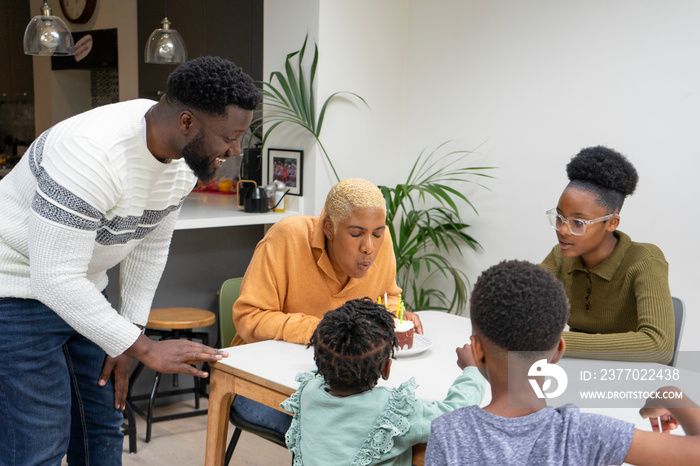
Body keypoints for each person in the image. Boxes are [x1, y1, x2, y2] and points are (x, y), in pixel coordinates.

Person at [0, 56, 261, 465]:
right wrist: (142, 346)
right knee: (39, 443)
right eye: (229, 138)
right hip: (13, 288)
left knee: (103, 426)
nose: (234, 151)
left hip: (80, 289)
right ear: (188, 123)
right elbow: (51, 278)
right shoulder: (92, 153)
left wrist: (128, 333)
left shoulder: (183, 162)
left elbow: (150, 245)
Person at [425, 260, 700, 465]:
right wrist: (670, 393)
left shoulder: (449, 433)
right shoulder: (586, 434)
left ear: (477, 349)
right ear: (558, 350)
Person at [230, 177, 423, 434]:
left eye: (377, 234)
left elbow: (388, 298)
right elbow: (248, 318)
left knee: (400, 423)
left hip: (342, 383)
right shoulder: (286, 237)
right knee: (342, 432)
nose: (369, 247)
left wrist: (395, 319)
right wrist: (325, 329)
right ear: (330, 228)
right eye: (356, 234)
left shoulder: (380, 243)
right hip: (258, 381)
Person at [281, 297, 485, 466]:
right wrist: (472, 370)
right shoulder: (393, 412)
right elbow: (456, 415)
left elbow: (326, 365)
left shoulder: (307, 391)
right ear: (387, 368)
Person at [541, 146, 674, 364]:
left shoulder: (645, 261)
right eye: (559, 217)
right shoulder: (560, 256)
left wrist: (553, 342)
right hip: (573, 370)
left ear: (612, 223)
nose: (563, 230)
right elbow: (522, 306)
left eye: (578, 222)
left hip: (627, 379)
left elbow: (659, 346)